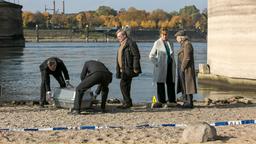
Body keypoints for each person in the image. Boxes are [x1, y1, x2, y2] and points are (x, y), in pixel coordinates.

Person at [149, 28, 176, 106]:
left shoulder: (170, 42)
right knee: (160, 83)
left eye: (166, 34)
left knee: (171, 83)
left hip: (170, 66)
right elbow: (151, 55)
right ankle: (162, 101)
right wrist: (157, 63)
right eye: (163, 34)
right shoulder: (157, 43)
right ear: (160, 35)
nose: (165, 36)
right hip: (161, 67)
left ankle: (172, 101)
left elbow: (171, 55)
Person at [116, 29, 142, 109]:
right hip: (122, 68)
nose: (118, 38)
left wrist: (135, 67)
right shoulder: (121, 44)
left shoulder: (131, 43)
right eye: (117, 37)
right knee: (126, 85)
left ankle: (127, 102)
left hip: (129, 68)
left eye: (120, 36)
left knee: (123, 85)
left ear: (124, 35)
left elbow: (136, 55)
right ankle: (127, 102)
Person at [174, 30, 197, 108]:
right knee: (184, 85)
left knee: (188, 86)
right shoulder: (183, 44)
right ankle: (186, 101)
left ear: (181, 38)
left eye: (177, 37)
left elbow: (187, 57)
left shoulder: (187, 45)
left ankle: (189, 103)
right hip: (183, 68)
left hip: (187, 69)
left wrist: (182, 67)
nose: (176, 39)